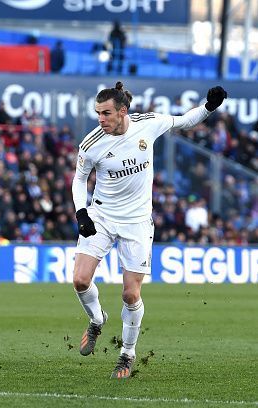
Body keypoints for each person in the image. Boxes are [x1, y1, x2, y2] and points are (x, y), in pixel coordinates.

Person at [71, 82, 227, 378]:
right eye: (97, 114)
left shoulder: (148, 124)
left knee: (131, 295)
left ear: (122, 111)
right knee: (79, 280)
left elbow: (184, 121)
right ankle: (97, 319)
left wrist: (209, 107)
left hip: (137, 222)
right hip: (101, 215)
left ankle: (127, 354)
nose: (100, 119)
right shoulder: (91, 144)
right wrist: (82, 212)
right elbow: (79, 180)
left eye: (105, 113)